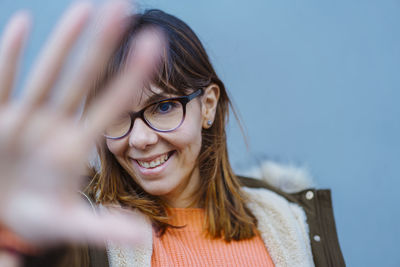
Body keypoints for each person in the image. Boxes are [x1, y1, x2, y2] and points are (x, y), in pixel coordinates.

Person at [0, 2, 345, 267]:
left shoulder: (291, 222)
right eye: (119, 117)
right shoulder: (79, 230)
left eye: (163, 107)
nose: (139, 139)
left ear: (207, 106)